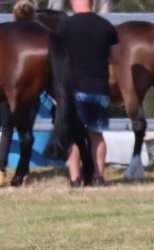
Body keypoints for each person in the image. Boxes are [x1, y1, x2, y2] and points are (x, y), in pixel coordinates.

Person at [58, 0, 118, 187]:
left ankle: (75, 179)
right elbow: (113, 59)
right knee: (97, 135)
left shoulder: (66, 26)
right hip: (100, 88)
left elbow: (59, 58)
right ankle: (98, 176)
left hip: (75, 87)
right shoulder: (106, 25)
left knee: (74, 137)